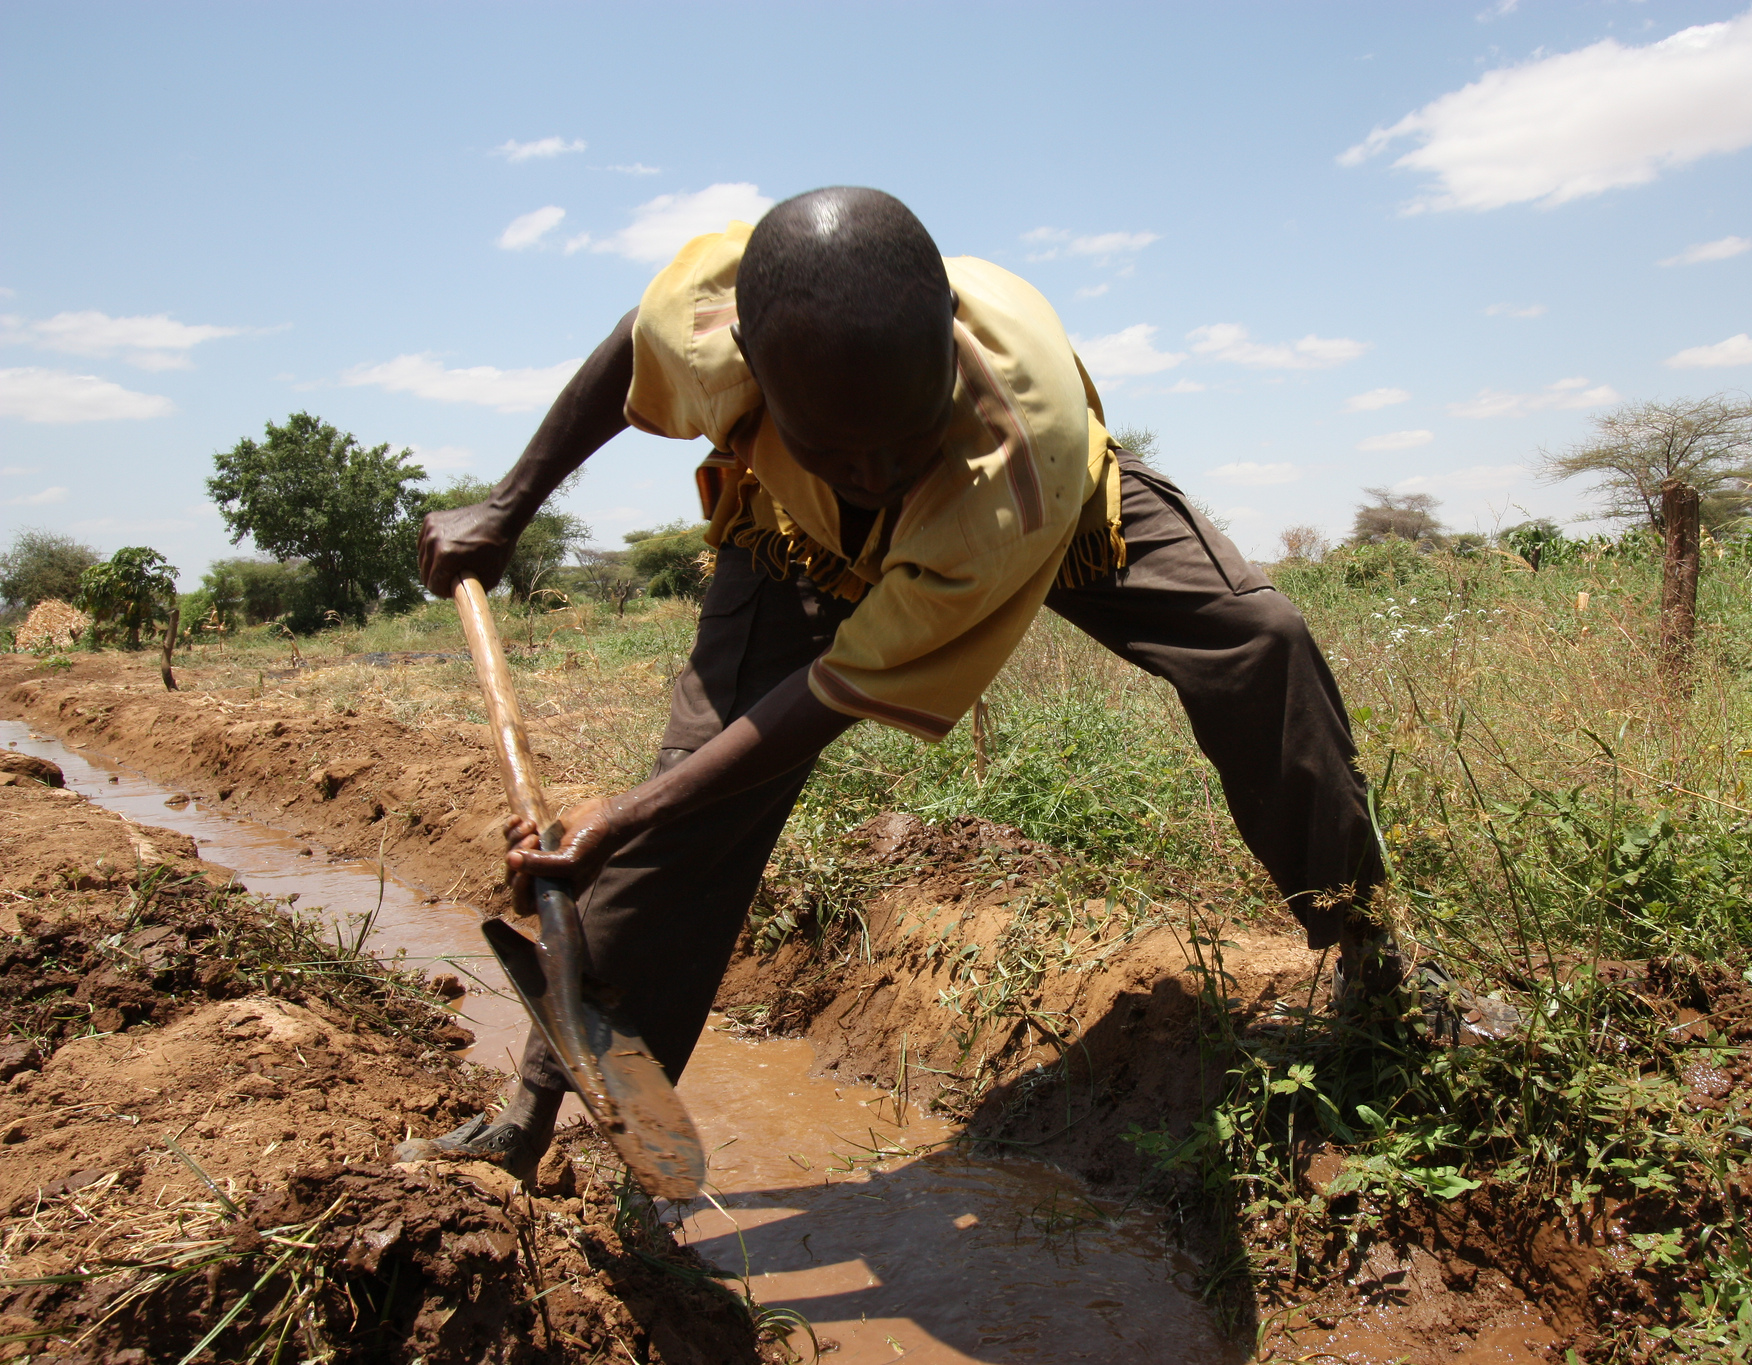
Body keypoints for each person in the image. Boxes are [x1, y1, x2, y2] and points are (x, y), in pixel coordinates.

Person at [404, 187, 1387, 1179]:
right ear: (747, 358)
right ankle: (524, 1126)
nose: (874, 473)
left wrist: (624, 812)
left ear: (948, 354)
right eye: (838, 448)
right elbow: (634, 345)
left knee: (1256, 638)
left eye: (900, 441)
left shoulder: (1012, 465)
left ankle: (1373, 952)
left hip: (1038, 513)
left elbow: (834, 695)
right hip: (789, 532)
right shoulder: (708, 316)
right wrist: (507, 503)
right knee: (682, 818)